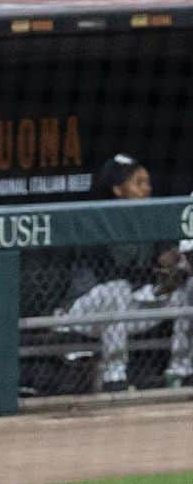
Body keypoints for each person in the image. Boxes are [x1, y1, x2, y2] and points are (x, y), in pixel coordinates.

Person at [59, 154, 183, 389]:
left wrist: (173, 265)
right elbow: (114, 273)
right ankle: (114, 377)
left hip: (132, 306)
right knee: (117, 290)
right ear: (118, 190)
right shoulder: (96, 221)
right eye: (139, 183)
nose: (147, 189)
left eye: (148, 182)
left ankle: (181, 371)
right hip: (84, 311)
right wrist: (153, 275)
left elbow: (165, 259)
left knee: (186, 290)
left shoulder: (154, 218)